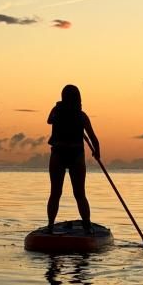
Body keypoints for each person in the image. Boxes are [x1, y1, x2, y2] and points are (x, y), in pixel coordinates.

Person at [46, 84, 100, 234]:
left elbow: (49, 120)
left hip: (60, 155)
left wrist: (60, 109)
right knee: (79, 194)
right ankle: (87, 225)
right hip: (74, 156)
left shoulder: (57, 111)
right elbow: (94, 139)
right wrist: (97, 152)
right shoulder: (81, 116)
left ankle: (51, 225)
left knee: (56, 193)